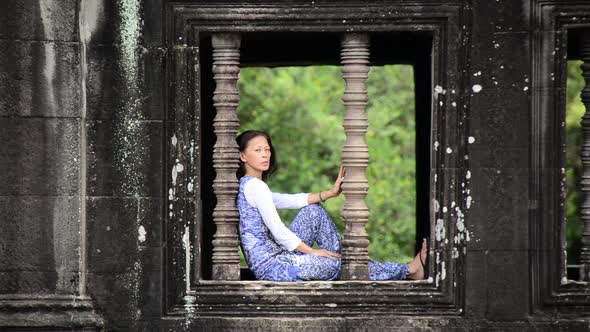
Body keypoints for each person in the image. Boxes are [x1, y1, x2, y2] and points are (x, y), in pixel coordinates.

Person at [236, 130, 427, 282]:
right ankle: (408, 270)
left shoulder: (252, 186)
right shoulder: (255, 186)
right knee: (336, 264)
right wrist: (313, 252)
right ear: (243, 156)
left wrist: (330, 193)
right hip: (274, 267)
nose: (265, 155)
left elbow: (289, 200)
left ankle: (347, 259)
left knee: (314, 211)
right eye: (258, 150)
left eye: (267, 149)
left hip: (280, 257)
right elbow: (279, 231)